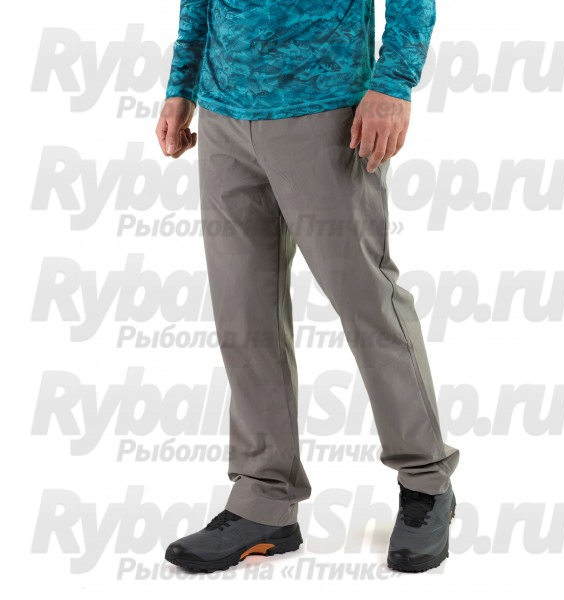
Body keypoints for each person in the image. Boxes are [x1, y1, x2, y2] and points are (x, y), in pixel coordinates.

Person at [156, 0, 459, 574]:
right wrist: (182, 85)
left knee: (368, 304)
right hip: (223, 114)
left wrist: (394, 82)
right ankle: (264, 500)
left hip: (327, 109)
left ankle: (426, 482)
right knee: (243, 316)